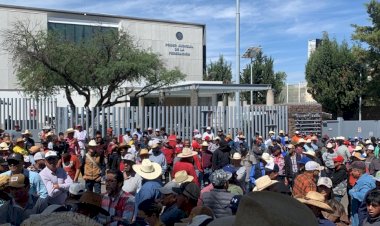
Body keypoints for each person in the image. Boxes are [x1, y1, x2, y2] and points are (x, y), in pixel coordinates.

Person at [349, 161, 376, 226]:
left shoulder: (364, 182)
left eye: (352, 171)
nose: (351, 173)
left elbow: (364, 196)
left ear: (358, 172)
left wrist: (352, 192)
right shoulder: (368, 178)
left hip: (360, 216)